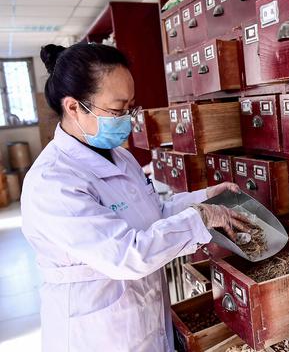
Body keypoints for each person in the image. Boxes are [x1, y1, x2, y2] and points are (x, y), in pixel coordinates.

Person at [20, 43, 251, 352]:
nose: (126, 119)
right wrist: (202, 217)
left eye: (130, 108)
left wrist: (204, 198)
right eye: (117, 111)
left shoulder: (120, 157)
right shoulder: (53, 182)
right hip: (98, 335)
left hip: (146, 319)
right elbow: (127, 255)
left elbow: (154, 212)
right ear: (74, 107)